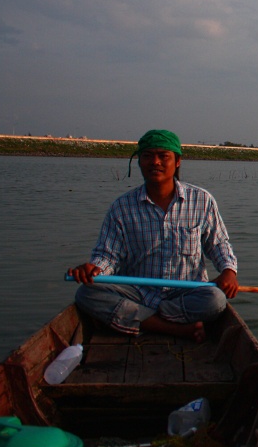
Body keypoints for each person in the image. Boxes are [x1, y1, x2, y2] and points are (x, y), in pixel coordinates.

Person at [67, 129, 238, 342]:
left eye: (163, 156)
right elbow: (108, 254)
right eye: (147, 156)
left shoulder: (202, 201)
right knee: (87, 293)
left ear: (177, 162)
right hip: (138, 292)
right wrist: (96, 269)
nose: (155, 162)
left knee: (216, 300)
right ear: (139, 161)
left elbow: (218, 243)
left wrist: (229, 271)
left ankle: (141, 319)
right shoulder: (121, 207)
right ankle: (173, 328)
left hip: (184, 293)